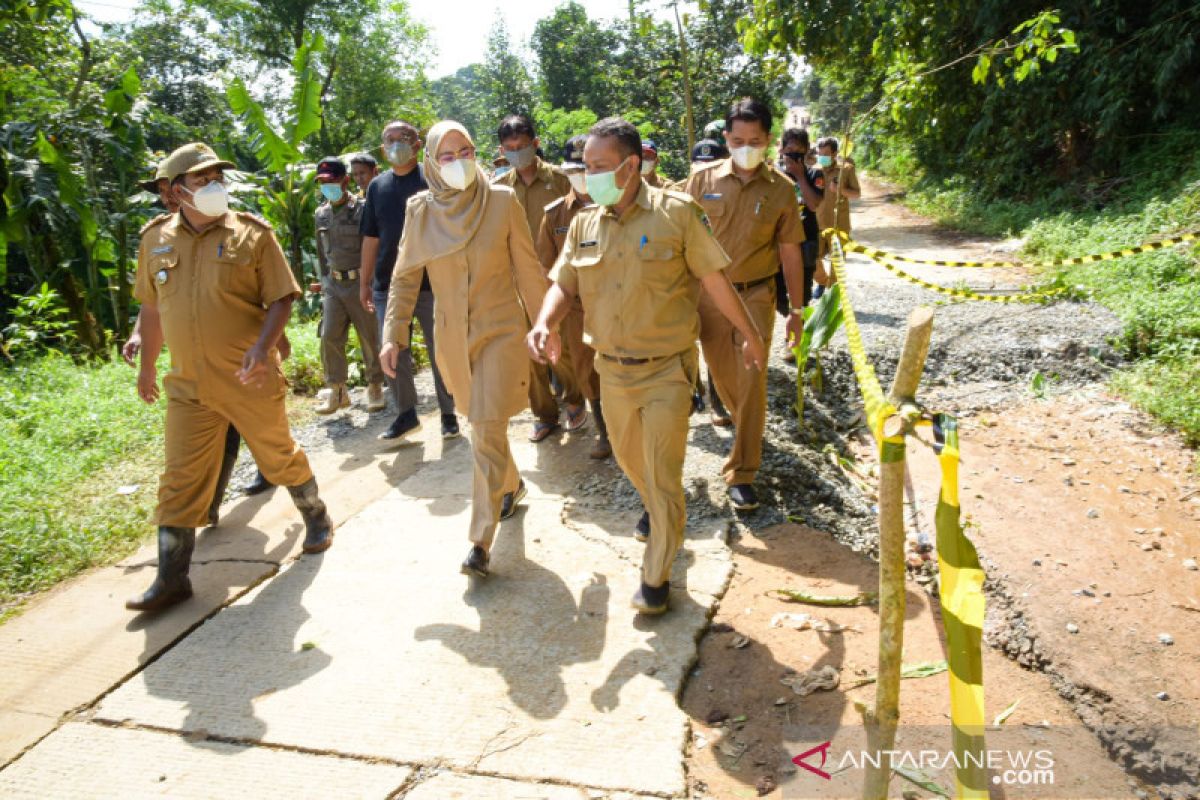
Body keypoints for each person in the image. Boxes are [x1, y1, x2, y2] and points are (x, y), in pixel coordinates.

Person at [527, 117, 766, 616]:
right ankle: (663, 517)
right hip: (610, 372)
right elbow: (562, 283)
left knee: (660, 476)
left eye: (598, 167)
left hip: (666, 370)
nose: (588, 176)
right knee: (635, 465)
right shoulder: (584, 224)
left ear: (631, 165)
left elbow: (716, 281)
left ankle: (656, 574)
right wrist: (545, 323)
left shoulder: (677, 214)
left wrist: (749, 334)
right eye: (585, 167)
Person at [128, 142, 334, 613]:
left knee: (278, 455)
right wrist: (146, 368)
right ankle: (172, 577)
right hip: (188, 386)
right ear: (175, 191)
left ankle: (315, 514)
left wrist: (263, 349)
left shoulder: (253, 235)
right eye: (203, 181)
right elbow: (152, 307)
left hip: (249, 377)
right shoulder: (155, 239)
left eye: (218, 178)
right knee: (178, 480)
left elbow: (282, 297)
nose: (215, 186)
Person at [380, 121, 551, 579]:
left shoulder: (501, 200)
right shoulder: (420, 211)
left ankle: (480, 539)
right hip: (452, 337)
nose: (460, 163)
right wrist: (393, 333)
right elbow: (404, 276)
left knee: (487, 423)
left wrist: (545, 325)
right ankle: (511, 484)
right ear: (433, 163)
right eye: (448, 156)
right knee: (482, 422)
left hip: (501, 330)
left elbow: (528, 269)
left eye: (467, 151)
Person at [127, 159, 277, 507]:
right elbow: (157, 300)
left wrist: (268, 344)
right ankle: (209, 506)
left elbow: (263, 294)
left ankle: (276, 473)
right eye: (161, 191)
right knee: (215, 435)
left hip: (242, 357)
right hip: (194, 368)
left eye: (167, 188)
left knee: (256, 428)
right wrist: (139, 338)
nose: (165, 197)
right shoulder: (158, 238)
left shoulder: (241, 230)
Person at [685, 97, 806, 512]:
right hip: (707, 297)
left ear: (768, 139)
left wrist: (797, 310)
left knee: (752, 377)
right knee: (724, 378)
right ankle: (749, 431)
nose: (746, 147)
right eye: (738, 139)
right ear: (726, 138)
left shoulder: (782, 191)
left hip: (756, 294)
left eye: (755, 140)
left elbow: (790, 252)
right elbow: (678, 237)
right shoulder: (701, 181)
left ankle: (742, 471)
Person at [360, 121, 459, 441]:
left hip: (432, 283)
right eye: (388, 140)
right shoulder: (376, 187)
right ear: (381, 149)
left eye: (401, 139)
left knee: (439, 348)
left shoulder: (432, 180)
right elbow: (371, 238)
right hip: (388, 284)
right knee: (393, 350)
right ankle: (406, 414)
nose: (394, 145)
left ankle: (449, 413)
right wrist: (365, 282)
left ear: (417, 146)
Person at [491, 113, 587, 443]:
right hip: (518, 281)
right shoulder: (500, 189)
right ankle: (544, 414)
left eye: (522, 145)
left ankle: (574, 400)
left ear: (536, 143)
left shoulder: (561, 179)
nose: (517, 152)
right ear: (502, 150)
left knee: (563, 347)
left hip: (558, 277)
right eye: (510, 147)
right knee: (528, 349)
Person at [536, 134, 610, 460]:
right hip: (578, 309)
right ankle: (605, 433)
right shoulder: (554, 215)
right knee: (586, 370)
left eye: (585, 168)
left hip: (616, 304)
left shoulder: (615, 204)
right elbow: (546, 268)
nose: (580, 175)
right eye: (573, 170)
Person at [312, 156, 386, 414]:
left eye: (331, 181)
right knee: (330, 335)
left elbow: (375, 246)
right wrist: (322, 281)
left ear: (344, 181)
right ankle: (338, 390)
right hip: (334, 284)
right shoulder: (320, 214)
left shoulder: (364, 209)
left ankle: (375, 385)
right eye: (321, 182)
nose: (326, 186)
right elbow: (323, 254)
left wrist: (375, 283)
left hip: (360, 283)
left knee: (369, 336)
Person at [778, 128, 824, 310]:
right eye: (789, 149)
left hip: (806, 243)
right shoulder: (775, 176)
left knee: (802, 300)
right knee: (779, 300)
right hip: (778, 246)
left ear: (806, 150)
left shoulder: (815, 175)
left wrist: (800, 176)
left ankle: (799, 331)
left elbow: (813, 205)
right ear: (782, 150)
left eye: (798, 149)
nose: (793, 153)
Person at [814, 136, 860, 296]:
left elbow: (856, 193)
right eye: (820, 153)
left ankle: (831, 294)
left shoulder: (846, 170)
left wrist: (840, 190)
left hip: (839, 225)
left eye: (826, 153)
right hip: (816, 224)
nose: (822, 157)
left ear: (835, 153)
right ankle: (821, 281)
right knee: (811, 258)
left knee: (837, 263)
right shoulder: (814, 170)